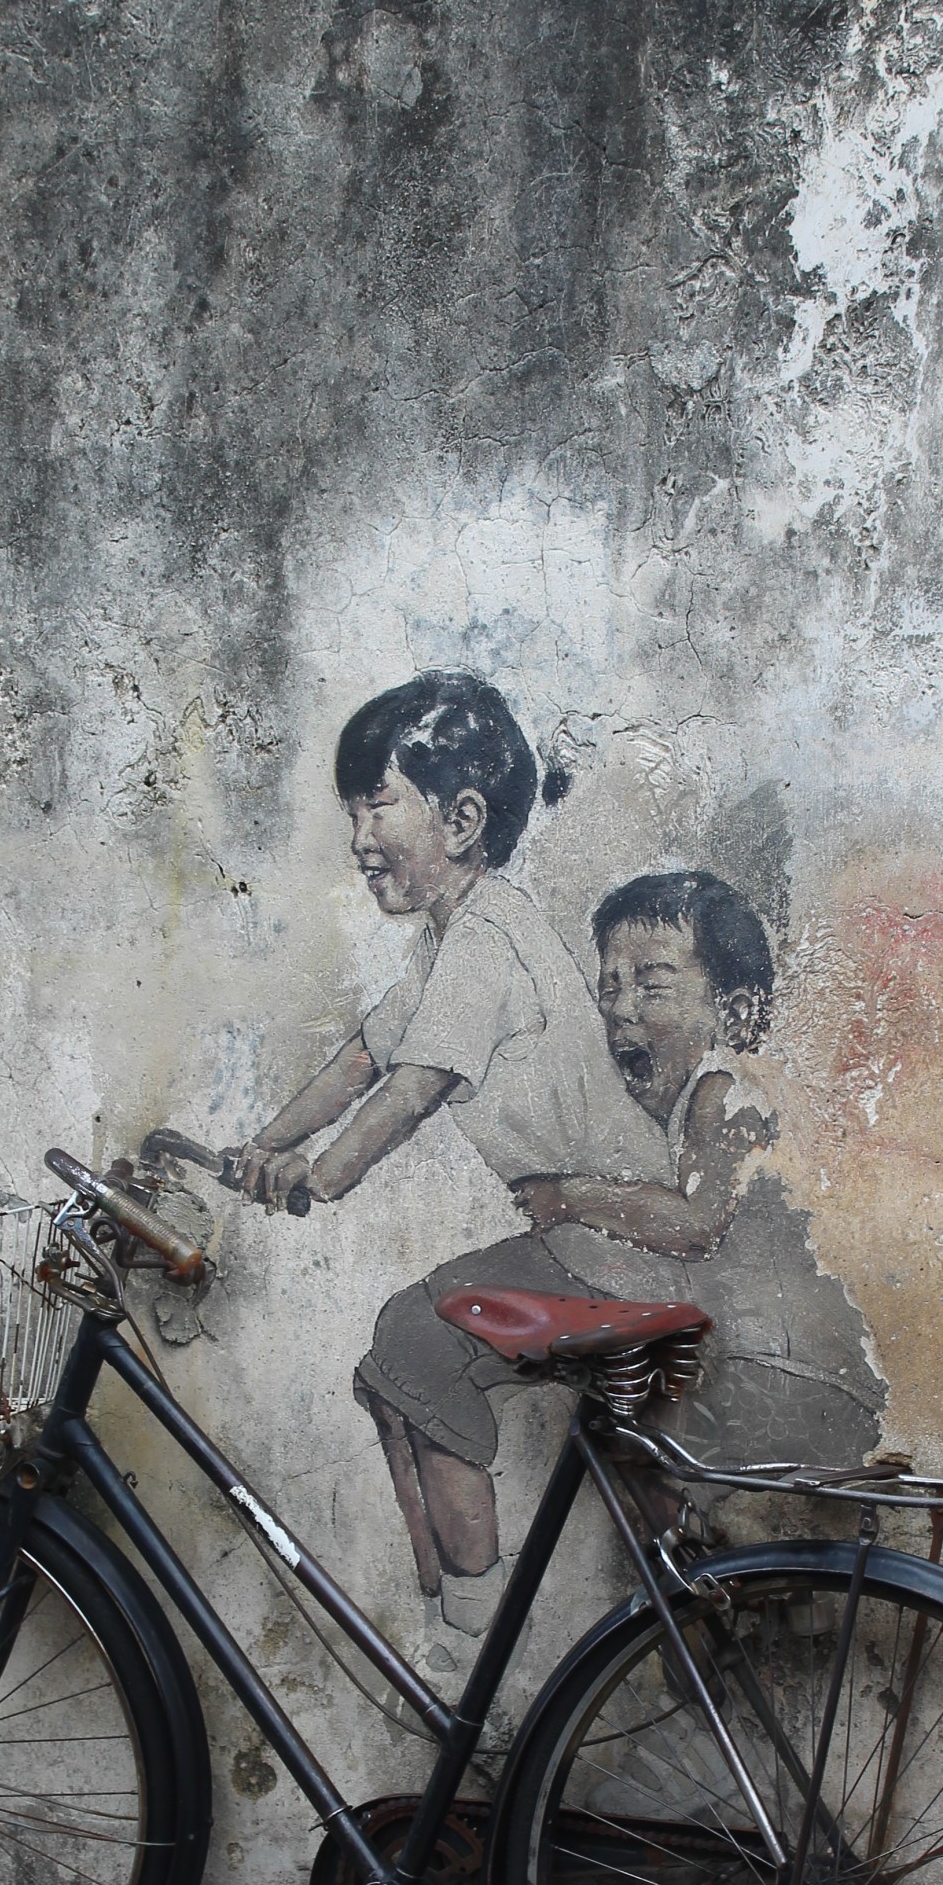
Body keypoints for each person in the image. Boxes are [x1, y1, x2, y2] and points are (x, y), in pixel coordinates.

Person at [233, 672, 669, 1634]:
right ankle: (469, 1616)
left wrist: (323, 1174)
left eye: (377, 806)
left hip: (615, 1238)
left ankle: (478, 1638)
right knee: (405, 1350)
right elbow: (363, 1057)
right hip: (585, 1238)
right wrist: (261, 1145)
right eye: (350, 813)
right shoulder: (446, 946)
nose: (358, 841)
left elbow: (413, 1089)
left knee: (416, 1340)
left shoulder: (489, 941)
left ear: (463, 819)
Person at [511, 869, 885, 1469]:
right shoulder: (740, 1092)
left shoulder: (724, 1088)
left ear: (734, 1013)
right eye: (609, 986)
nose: (620, 1009)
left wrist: (568, 1197)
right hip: (793, 1376)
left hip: (783, 1378)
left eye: (653, 987)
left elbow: (696, 1226)